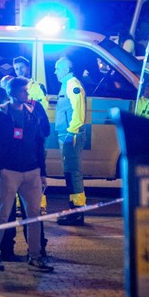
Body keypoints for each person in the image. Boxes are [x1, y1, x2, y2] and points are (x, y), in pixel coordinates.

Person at [0, 77, 53, 273]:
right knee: (3, 214)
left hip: (32, 172)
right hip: (9, 173)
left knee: (34, 216)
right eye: (24, 91)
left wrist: (42, 173)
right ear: (13, 93)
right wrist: (0, 169)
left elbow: (39, 144)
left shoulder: (32, 114)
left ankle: (36, 256)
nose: (27, 94)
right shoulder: (0, 115)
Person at [54, 56, 87, 226]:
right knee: (70, 173)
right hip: (67, 134)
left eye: (57, 68)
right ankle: (75, 209)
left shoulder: (72, 84)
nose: (55, 72)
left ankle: (77, 213)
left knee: (73, 173)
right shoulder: (67, 83)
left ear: (66, 69)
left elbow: (78, 111)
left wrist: (71, 132)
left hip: (70, 135)